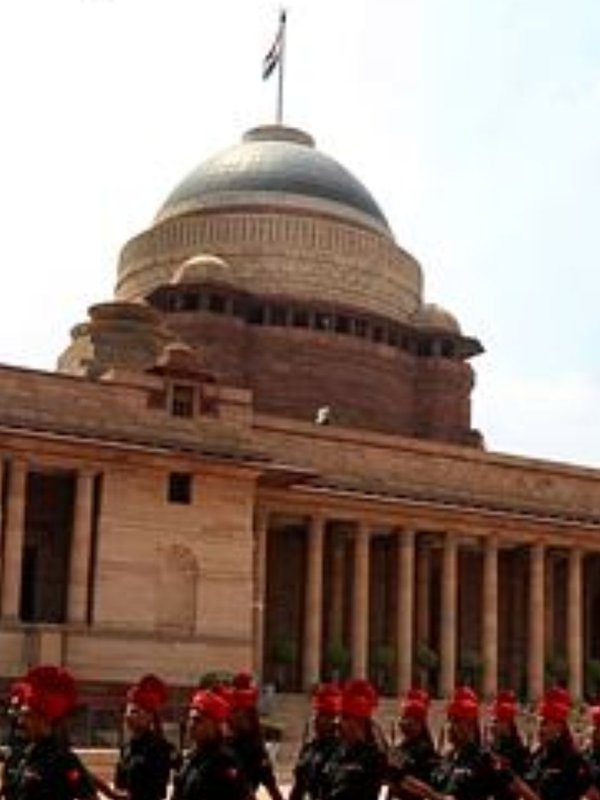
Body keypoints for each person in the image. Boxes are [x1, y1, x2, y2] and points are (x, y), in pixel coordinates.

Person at [428, 688, 537, 800]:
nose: (450, 727)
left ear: (469, 725)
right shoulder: (449, 758)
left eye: (455, 721)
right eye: (449, 720)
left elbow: (518, 786)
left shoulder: (484, 758)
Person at [11, 665, 98, 800]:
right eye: (21, 715)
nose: (20, 722)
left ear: (44, 719)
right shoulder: (25, 756)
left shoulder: (64, 760)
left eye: (27, 715)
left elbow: (90, 797)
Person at [172, 688, 252, 800]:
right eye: (189, 719)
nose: (191, 724)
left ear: (214, 725)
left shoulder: (225, 761)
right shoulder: (190, 759)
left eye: (197, 720)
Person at [320, 678, 387, 800]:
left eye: (345, 718)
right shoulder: (335, 753)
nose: (338, 723)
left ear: (359, 722)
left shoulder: (374, 756)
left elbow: (403, 780)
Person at [113, 673, 175, 800]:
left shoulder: (159, 748)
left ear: (149, 717)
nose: (128, 716)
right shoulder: (127, 747)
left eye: (135, 711)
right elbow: (120, 785)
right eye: (127, 711)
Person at [525, 689, 594, 800]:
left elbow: (589, 790)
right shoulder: (540, 754)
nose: (541, 729)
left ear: (559, 726)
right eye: (542, 724)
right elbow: (529, 781)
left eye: (546, 724)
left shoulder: (572, 756)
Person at [227, 671, 284, 800]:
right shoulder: (223, 743)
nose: (231, 716)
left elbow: (271, 787)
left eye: (236, 712)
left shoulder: (255, 748)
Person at [288, 682, 341, 800]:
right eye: (318, 714)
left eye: (323, 715)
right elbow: (298, 789)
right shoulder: (309, 749)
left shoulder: (344, 750)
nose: (316, 720)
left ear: (334, 721)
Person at [386, 688, 441, 799]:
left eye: (407, 718)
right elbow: (388, 781)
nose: (402, 722)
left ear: (419, 723)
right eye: (403, 717)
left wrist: (400, 778)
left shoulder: (426, 751)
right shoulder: (399, 748)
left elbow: (429, 788)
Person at [486, 690, 530, 799]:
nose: (492, 725)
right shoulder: (493, 745)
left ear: (506, 723)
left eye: (496, 721)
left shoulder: (517, 749)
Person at [1, 683, 30, 800]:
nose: (11, 711)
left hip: (24, 757)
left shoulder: (29, 719)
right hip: (14, 755)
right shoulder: (15, 720)